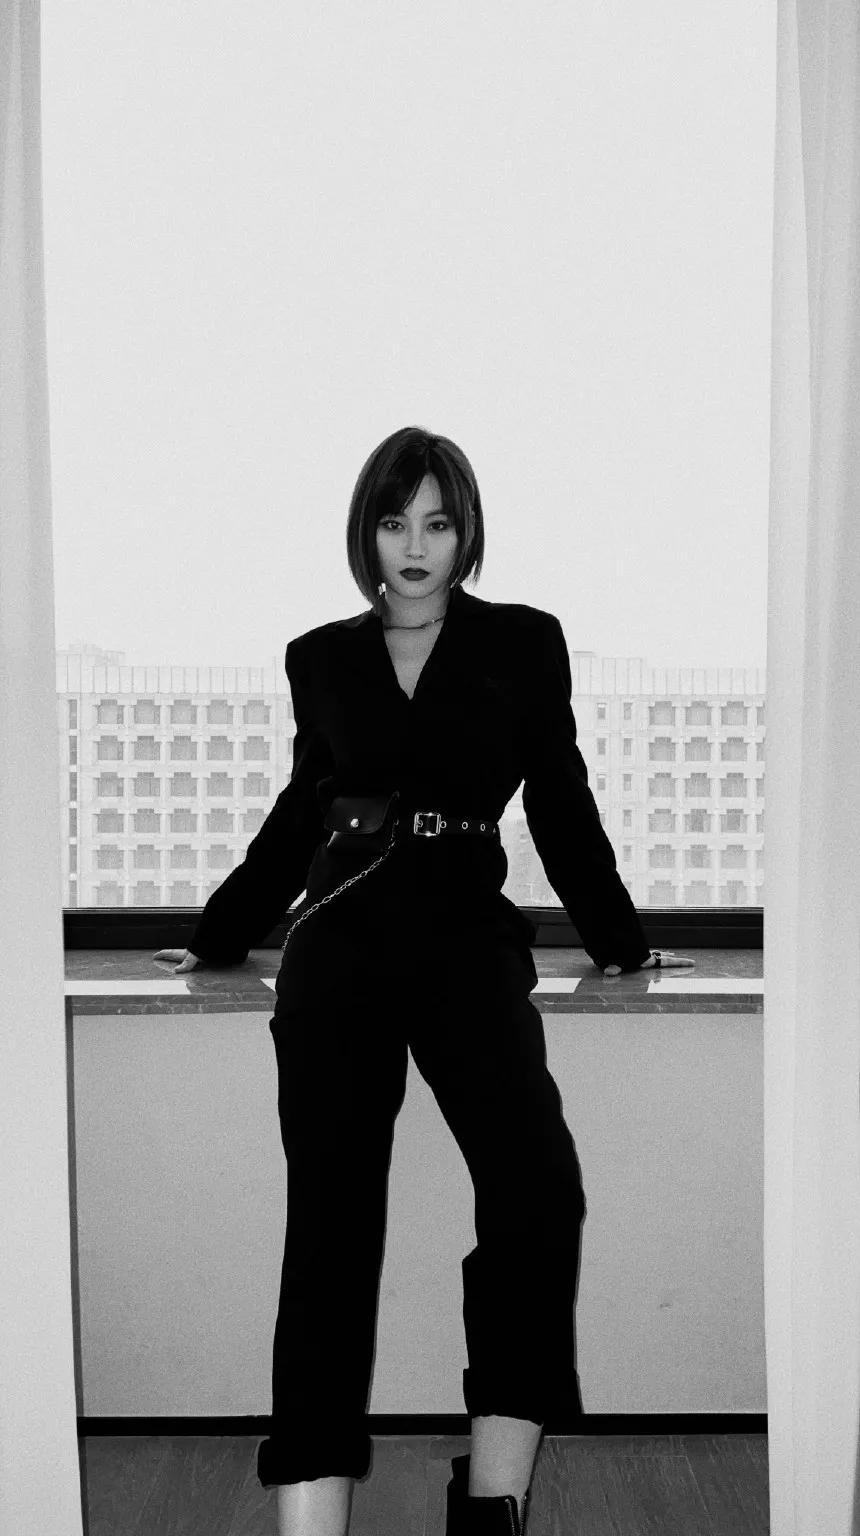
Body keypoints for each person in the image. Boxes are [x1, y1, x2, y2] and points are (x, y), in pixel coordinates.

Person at [155, 425, 694, 1536]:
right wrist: (220, 935)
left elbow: (561, 800)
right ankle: (312, 1519)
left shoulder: (522, 642)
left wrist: (620, 942)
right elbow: (301, 812)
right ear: (366, 533)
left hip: (465, 944)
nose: (414, 545)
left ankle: (491, 1498)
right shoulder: (320, 657)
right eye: (394, 522)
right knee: (331, 1228)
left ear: (465, 533)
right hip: (341, 943)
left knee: (537, 1188)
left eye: (437, 523)